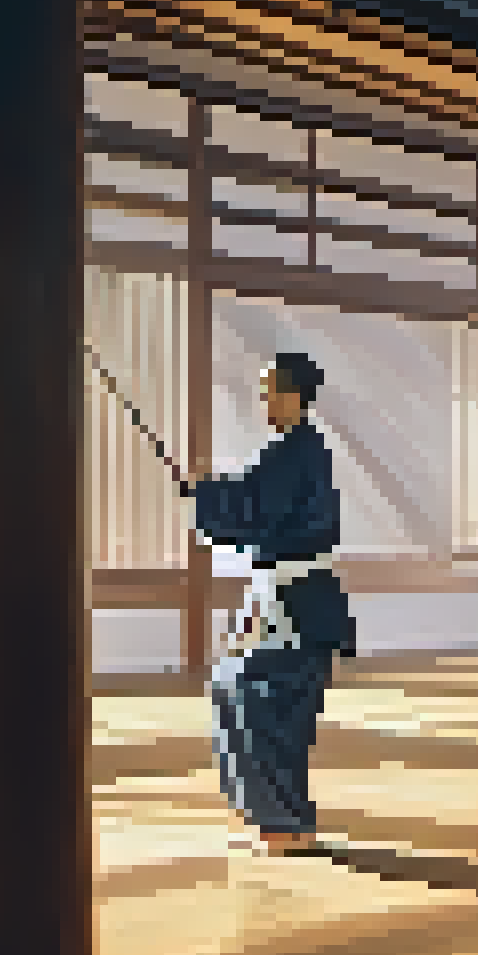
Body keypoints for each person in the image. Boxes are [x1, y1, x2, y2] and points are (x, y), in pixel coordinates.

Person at [179, 352, 356, 857]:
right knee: (265, 700)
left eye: (271, 390)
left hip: (292, 601)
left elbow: (255, 511)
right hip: (293, 597)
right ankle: (286, 820)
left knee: (256, 698)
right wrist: (208, 493)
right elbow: (254, 502)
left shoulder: (294, 454)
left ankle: (282, 822)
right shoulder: (298, 452)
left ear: (296, 394)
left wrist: (207, 498)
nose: (264, 401)